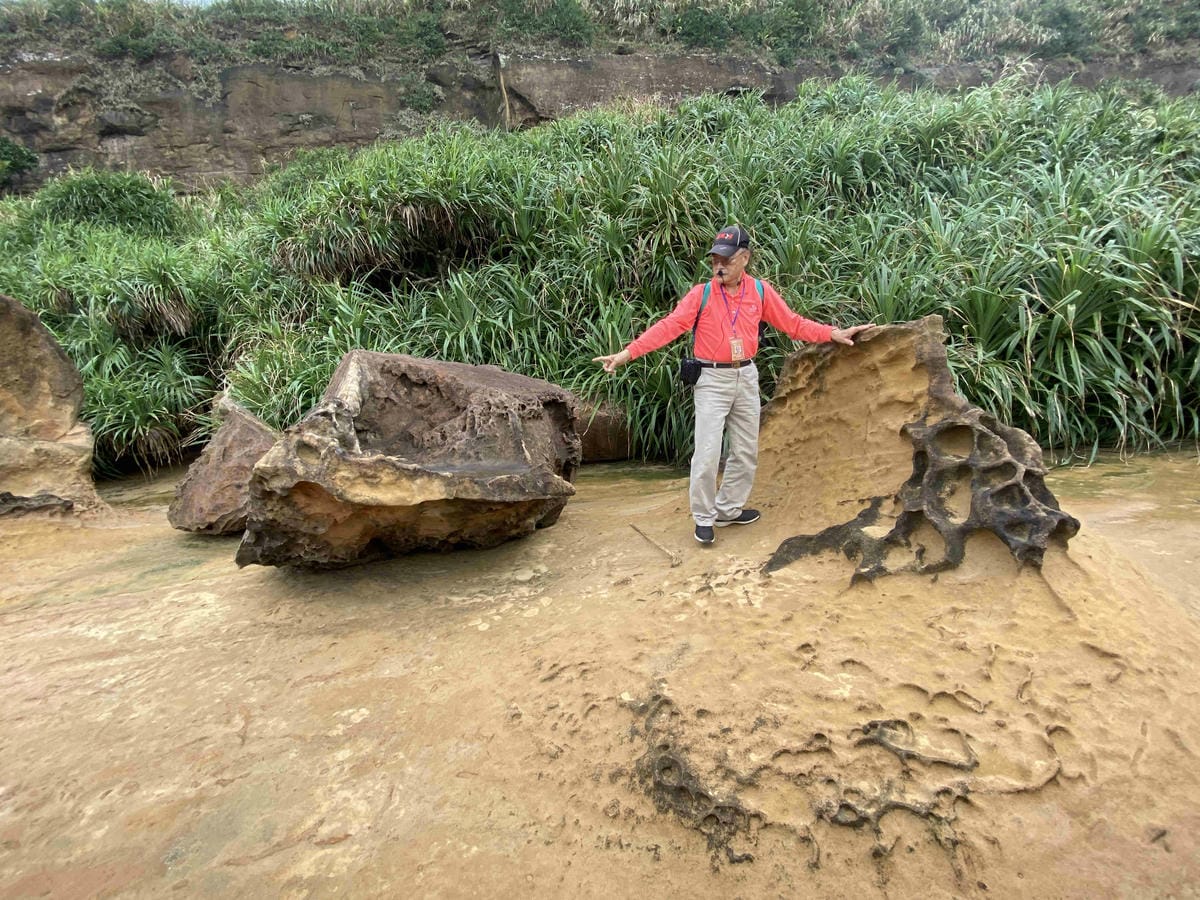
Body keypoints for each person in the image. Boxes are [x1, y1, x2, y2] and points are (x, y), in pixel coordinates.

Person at [593, 224, 873, 545]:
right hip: (711, 379)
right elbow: (669, 326)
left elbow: (792, 323)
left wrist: (832, 333)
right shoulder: (702, 294)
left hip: (746, 375)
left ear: (745, 258)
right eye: (715, 259)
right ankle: (704, 517)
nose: (719, 265)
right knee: (708, 452)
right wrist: (627, 353)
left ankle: (727, 509)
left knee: (745, 450)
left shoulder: (760, 292)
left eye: (726, 259)